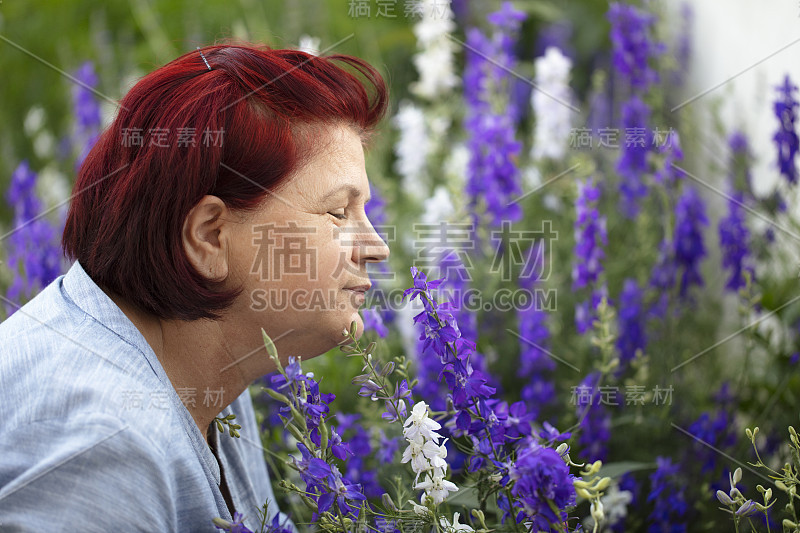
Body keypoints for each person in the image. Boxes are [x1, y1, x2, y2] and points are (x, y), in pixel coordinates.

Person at [0, 42, 390, 531]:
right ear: (209, 237)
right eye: (338, 213)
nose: (376, 247)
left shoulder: (212, 363)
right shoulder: (104, 455)